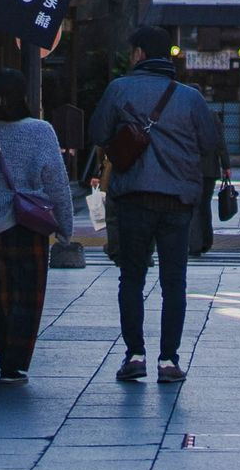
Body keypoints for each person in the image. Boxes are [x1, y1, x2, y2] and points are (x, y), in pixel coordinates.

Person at [89, 25, 229, 384]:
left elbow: (99, 134)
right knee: (174, 283)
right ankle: (168, 361)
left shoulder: (119, 89)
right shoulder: (190, 97)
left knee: (132, 278)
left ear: (138, 54)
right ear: (168, 56)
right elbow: (209, 141)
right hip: (177, 201)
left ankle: (135, 355)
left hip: (133, 198)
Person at [0, 65, 75, 385]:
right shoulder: (42, 131)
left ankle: (6, 355)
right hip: (31, 226)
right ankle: (16, 361)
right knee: (28, 297)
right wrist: (65, 225)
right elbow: (56, 182)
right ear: (24, 96)